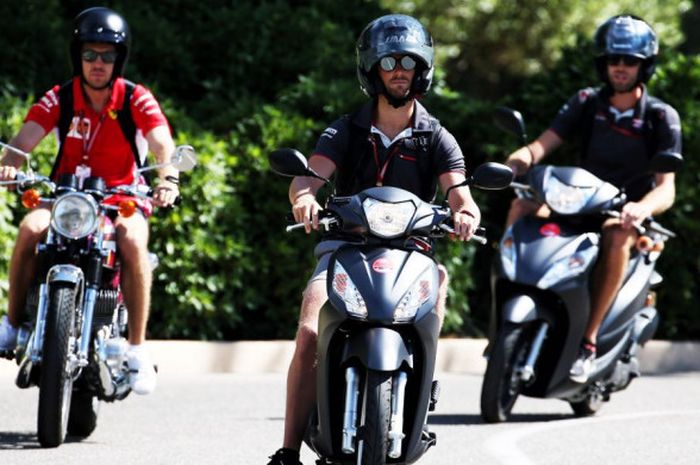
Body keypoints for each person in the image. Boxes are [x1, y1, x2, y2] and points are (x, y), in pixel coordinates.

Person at [266, 14, 482, 465]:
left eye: (407, 60)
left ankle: (421, 398)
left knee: (435, 293)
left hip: (413, 252)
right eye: (388, 61)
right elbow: (309, 178)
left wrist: (465, 213)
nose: (398, 69)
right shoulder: (346, 129)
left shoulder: (437, 136)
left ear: (422, 68)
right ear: (372, 69)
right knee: (309, 329)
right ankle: (287, 451)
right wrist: (304, 199)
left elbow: (459, 192)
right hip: (346, 248)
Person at [0, 7, 180, 395]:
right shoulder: (60, 97)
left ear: (120, 59)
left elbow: (162, 142)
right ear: (77, 55)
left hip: (121, 198)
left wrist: (168, 178)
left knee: (132, 240)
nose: (98, 63)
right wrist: (10, 165)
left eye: (107, 55)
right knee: (30, 228)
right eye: (90, 55)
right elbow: (22, 142)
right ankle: (13, 326)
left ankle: (135, 350)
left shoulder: (136, 98)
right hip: (67, 196)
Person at [504, 15, 682, 383]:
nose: (620, 67)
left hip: (623, 213)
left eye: (629, 61)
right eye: (614, 60)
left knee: (617, 234)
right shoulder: (586, 101)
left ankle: (587, 341)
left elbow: (667, 187)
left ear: (643, 66)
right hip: (577, 201)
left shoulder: (662, 116)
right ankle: (508, 311)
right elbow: (544, 142)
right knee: (522, 206)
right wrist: (521, 159)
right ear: (604, 63)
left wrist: (642, 207)